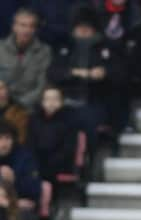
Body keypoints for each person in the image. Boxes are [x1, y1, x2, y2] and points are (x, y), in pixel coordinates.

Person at [47, 6, 126, 145]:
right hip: (65, 100)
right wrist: (73, 73)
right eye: (79, 27)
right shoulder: (65, 47)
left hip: (95, 100)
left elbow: (120, 73)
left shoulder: (106, 48)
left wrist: (104, 73)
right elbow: (52, 73)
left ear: (94, 29)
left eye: (87, 27)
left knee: (87, 120)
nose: (83, 30)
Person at [0, 8, 51, 110]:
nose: (27, 30)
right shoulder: (0, 48)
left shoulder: (44, 51)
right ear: (14, 27)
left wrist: (19, 105)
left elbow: (42, 84)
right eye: (23, 25)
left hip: (29, 107)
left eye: (31, 26)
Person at [26, 86, 78, 184]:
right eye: (48, 99)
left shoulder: (70, 120)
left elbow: (68, 148)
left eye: (55, 99)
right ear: (42, 102)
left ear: (62, 102)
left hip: (60, 163)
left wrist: (48, 162)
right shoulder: (34, 119)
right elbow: (30, 144)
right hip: (37, 160)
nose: (51, 103)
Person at [0, 119, 40, 208]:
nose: (4, 143)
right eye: (0, 138)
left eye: (7, 138)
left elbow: (35, 190)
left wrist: (14, 179)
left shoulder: (25, 158)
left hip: (19, 208)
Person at [0, 79, 28, 146]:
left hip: (11, 150)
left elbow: (21, 138)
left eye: (2, 88)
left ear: (7, 90)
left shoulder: (19, 112)